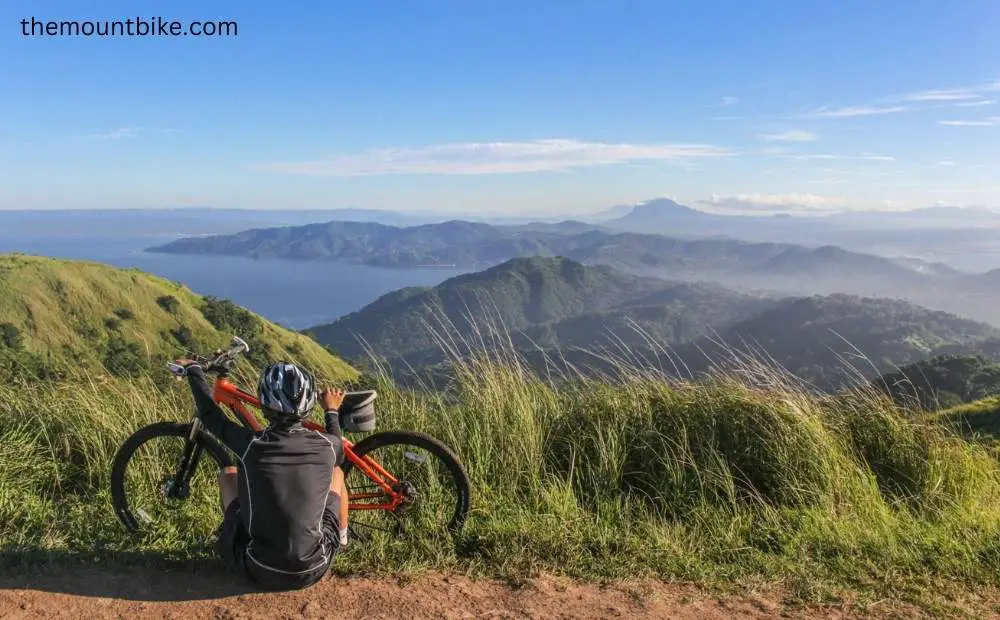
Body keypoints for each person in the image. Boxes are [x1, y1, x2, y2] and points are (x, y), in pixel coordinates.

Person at [175, 357, 349, 590]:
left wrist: (194, 370)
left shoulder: (250, 444)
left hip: (259, 568)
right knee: (337, 473)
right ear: (308, 405)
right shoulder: (328, 446)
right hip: (314, 568)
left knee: (228, 475)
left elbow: (209, 413)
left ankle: (233, 535)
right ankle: (343, 538)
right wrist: (331, 410)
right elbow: (337, 441)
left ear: (264, 404)